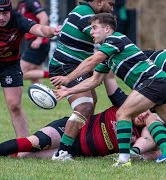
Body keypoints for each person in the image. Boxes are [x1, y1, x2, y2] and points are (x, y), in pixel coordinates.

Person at [51, 13, 166, 167]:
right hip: (162, 83)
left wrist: (68, 78)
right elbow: (94, 80)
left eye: (94, 27)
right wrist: (68, 91)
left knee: (123, 113)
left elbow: (92, 60)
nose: (91, 32)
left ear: (107, 29)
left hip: (153, 83)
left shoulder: (115, 39)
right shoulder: (109, 55)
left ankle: (124, 159)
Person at [0, 71, 166, 161]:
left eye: (147, 112)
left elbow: (152, 141)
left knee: (26, 156)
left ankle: (3, 156)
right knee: (33, 142)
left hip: (78, 151)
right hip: (70, 129)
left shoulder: (144, 133)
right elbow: (109, 78)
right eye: (141, 110)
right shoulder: (124, 105)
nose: (142, 114)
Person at [47, 0, 116, 160]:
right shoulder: (86, 15)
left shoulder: (83, 10)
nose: (112, 9)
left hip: (74, 65)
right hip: (66, 67)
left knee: (92, 102)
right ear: (99, 2)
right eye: (110, 4)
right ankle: (62, 152)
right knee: (84, 106)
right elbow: (107, 39)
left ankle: (81, 144)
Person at [0, 0, 61, 137]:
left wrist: (50, 31)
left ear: (10, 11)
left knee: (14, 105)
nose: (1, 17)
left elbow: (38, 28)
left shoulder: (17, 18)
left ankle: (24, 145)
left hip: (9, 64)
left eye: (5, 13)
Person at [17, 0, 51, 84]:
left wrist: (39, 39)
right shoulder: (21, 3)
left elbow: (44, 17)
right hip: (32, 42)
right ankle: (43, 97)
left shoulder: (30, 2)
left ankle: (54, 74)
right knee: (35, 80)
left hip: (38, 43)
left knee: (20, 72)